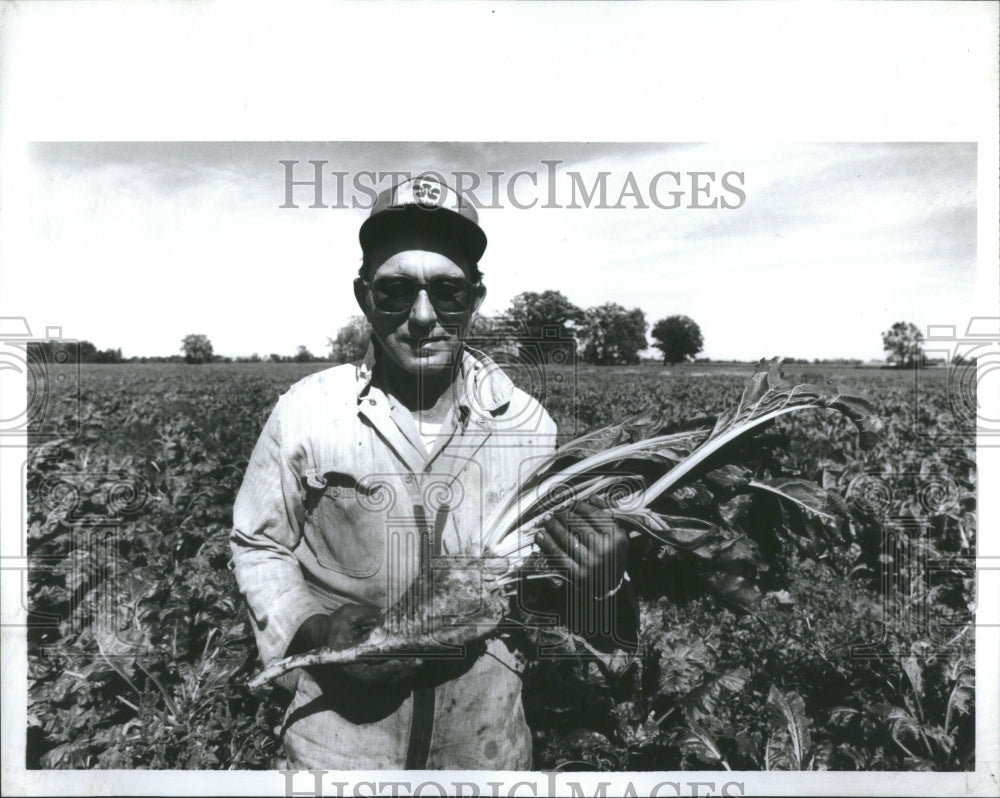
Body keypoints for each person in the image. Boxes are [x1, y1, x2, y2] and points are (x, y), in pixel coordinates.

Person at [230, 174, 629, 770]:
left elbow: (541, 592)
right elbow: (258, 542)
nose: (422, 316)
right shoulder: (309, 411)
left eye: (447, 291)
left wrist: (599, 580)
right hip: (335, 747)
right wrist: (313, 630)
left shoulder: (525, 423)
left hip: (485, 748)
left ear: (476, 297)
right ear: (365, 296)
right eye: (396, 292)